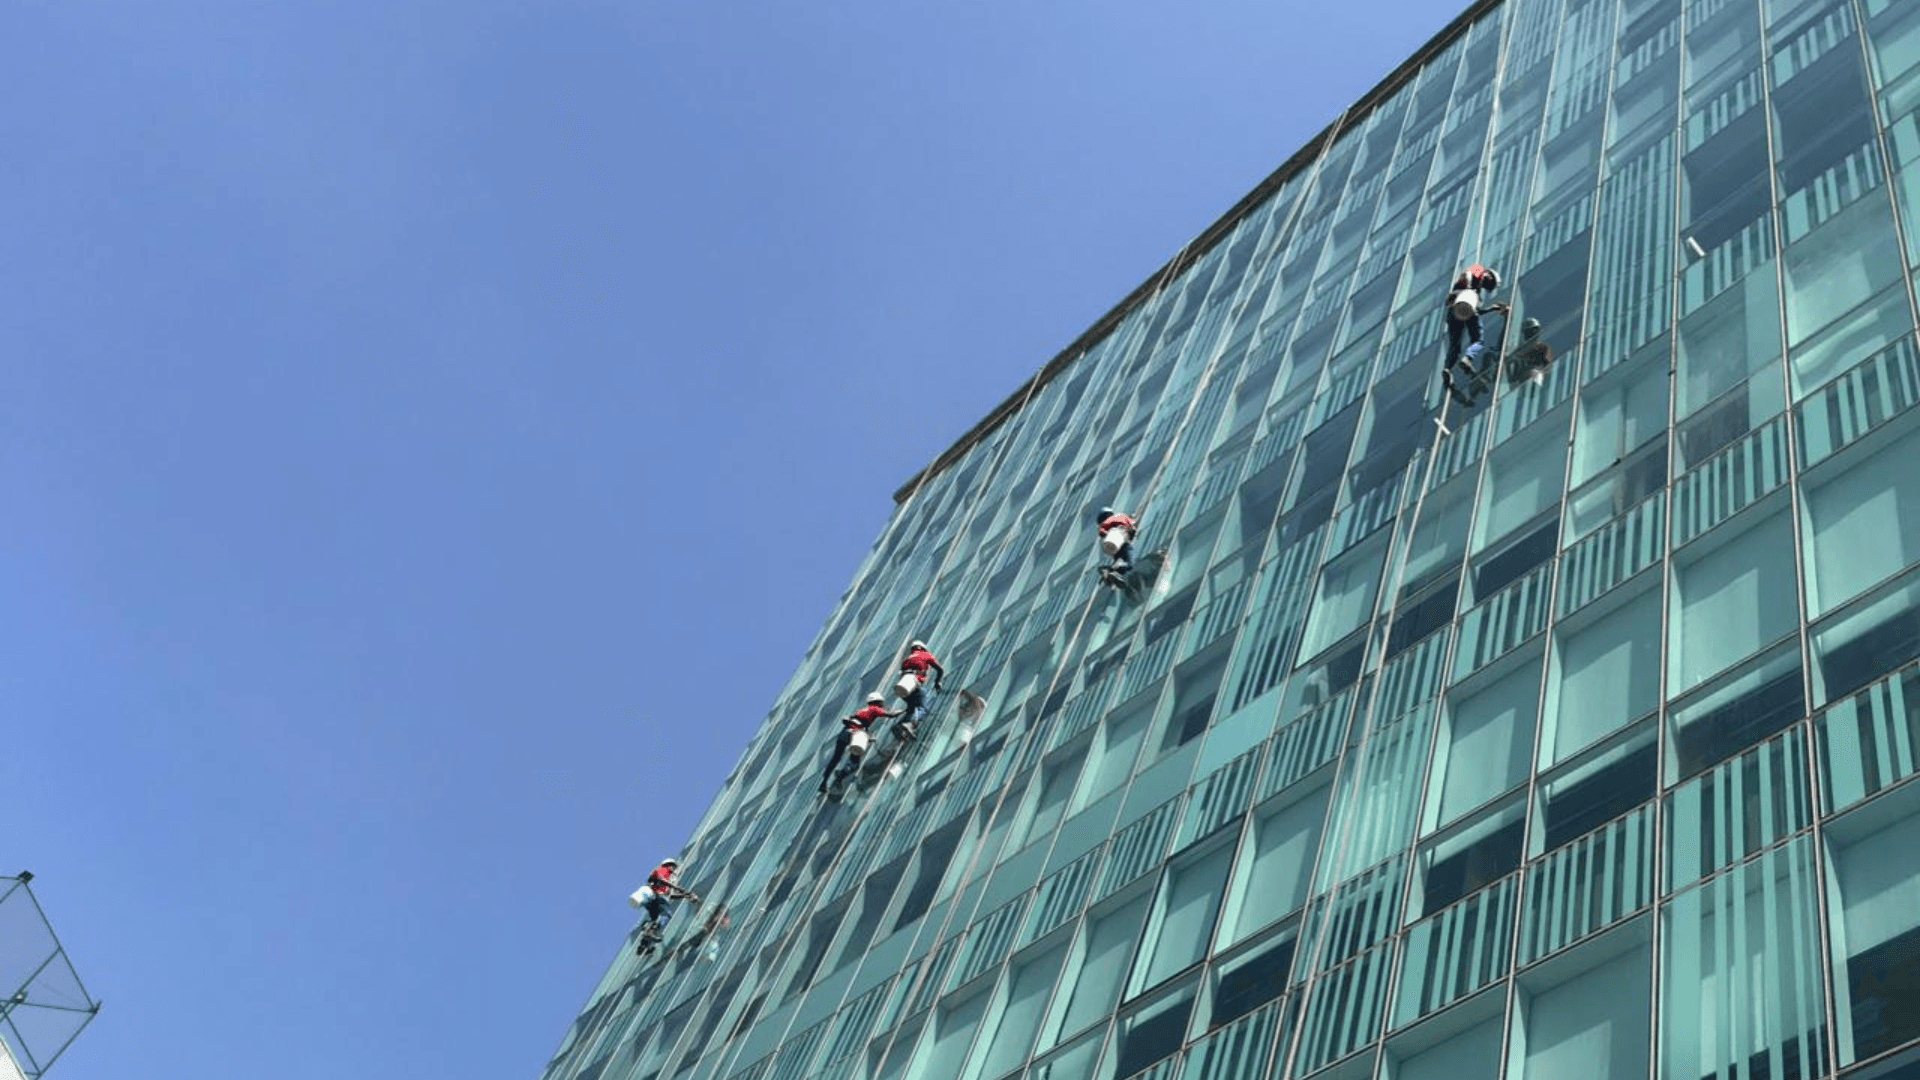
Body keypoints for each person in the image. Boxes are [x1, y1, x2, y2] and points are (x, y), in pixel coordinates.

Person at [1442, 264, 1508, 397]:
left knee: (1455, 344)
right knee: (1477, 339)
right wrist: (1468, 288)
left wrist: (1492, 308)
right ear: (1489, 275)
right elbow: (1467, 274)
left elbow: (1477, 311)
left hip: (1457, 310)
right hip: (1459, 305)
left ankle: (1449, 368)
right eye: (1489, 282)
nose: (1486, 285)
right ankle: (1464, 360)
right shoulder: (1478, 270)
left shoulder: (1477, 295)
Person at [819, 692, 899, 794]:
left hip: (845, 733)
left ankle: (825, 782)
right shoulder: (873, 708)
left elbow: (859, 724)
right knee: (855, 764)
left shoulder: (861, 710)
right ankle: (841, 775)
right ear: (876, 702)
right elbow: (890, 714)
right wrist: (902, 710)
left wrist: (868, 737)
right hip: (854, 735)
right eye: (880, 703)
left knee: (836, 759)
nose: (881, 706)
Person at [630, 858, 697, 949]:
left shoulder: (666, 877)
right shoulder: (663, 869)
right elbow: (662, 880)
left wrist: (684, 895)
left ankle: (644, 943)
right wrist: (680, 889)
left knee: (654, 918)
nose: (673, 869)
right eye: (673, 867)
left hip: (651, 899)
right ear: (668, 864)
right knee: (666, 913)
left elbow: (670, 895)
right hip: (653, 895)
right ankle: (651, 931)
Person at [894, 640, 946, 732]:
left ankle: (899, 725)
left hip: (904, 689)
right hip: (915, 685)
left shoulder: (906, 659)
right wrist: (937, 682)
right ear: (922, 648)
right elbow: (940, 669)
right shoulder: (925, 655)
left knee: (911, 709)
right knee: (923, 708)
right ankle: (909, 725)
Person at [1094, 507, 1138, 586]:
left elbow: (1102, 531)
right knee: (1130, 563)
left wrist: (1105, 533)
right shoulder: (1118, 517)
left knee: (1120, 560)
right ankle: (1112, 570)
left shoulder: (1107, 523)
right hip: (1122, 544)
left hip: (1114, 548)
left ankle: (1112, 572)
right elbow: (1132, 530)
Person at [1504, 317, 1554, 385]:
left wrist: (1539, 372)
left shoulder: (1542, 347)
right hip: (1522, 380)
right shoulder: (1520, 349)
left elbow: (1547, 365)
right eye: (1528, 332)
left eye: (1532, 331)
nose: (1529, 334)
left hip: (1534, 376)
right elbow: (1510, 362)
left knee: (1533, 374)